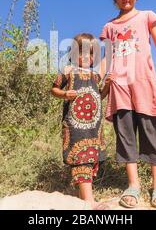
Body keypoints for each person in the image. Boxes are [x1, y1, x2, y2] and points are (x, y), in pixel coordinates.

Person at [99, 0, 156, 208]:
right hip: (119, 86)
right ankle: (133, 185)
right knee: (125, 134)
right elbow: (107, 58)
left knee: (151, 133)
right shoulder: (110, 27)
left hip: (144, 82)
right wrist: (93, 81)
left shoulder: (146, 16)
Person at [51, 33, 113, 210]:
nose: (87, 56)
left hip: (94, 126)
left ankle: (82, 198)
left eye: (91, 53)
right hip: (75, 125)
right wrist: (64, 94)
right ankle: (89, 202)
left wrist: (107, 86)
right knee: (82, 157)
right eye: (82, 52)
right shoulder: (68, 71)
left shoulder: (95, 76)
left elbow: (98, 96)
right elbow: (53, 89)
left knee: (92, 158)